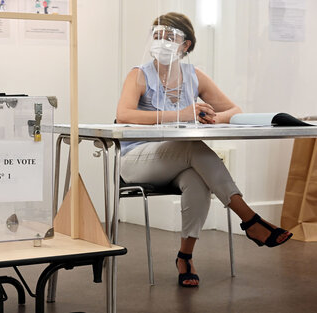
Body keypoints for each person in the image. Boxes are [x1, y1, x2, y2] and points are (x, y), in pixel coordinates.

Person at [116, 12, 293, 287]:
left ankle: (185, 257)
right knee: (194, 148)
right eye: (157, 35)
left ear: (185, 45)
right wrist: (182, 114)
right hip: (137, 158)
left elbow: (234, 110)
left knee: (197, 179)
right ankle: (249, 220)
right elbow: (124, 114)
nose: (161, 41)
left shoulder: (193, 75)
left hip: (177, 159)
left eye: (169, 37)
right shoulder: (139, 74)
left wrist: (211, 117)